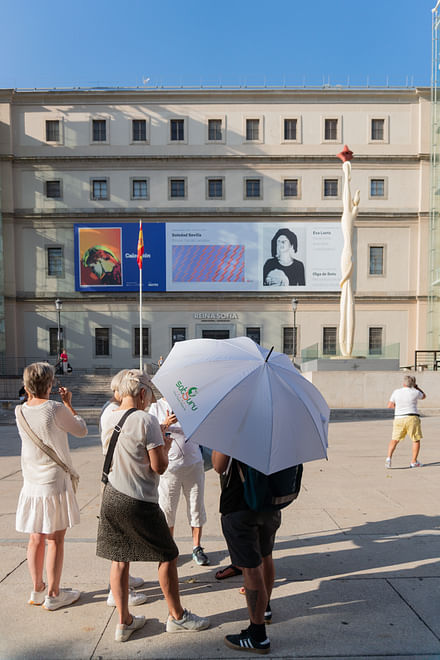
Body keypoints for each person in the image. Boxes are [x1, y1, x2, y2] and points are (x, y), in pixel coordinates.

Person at [97, 370, 210, 642]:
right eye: (150, 394)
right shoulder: (146, 420)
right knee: (168, 555)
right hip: (139, 500)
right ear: (143, 393)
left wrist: (157, 437)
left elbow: (126, 448)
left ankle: (124, 621)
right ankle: (177, 615)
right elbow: (158, 467)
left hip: (112, 495)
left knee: (120, 558)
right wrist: (166, 443)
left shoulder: (108, 417)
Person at [15, 362, 87, 611]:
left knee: (36, 537)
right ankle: (55, 594)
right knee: (55, 539)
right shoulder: (54, 409)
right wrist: (68, 403)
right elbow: (81, 430)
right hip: (54, 483)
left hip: (32, 482)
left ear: (26, 386)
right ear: (50, 384)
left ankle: (38, 589)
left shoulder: (19, 411)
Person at [212, 451, 280, 655]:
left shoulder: (235, 423)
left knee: (250, 568)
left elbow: (218, 466)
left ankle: (257, 635)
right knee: (266, 555)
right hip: (270, 503)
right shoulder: (277, 421)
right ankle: (265, 607)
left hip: (240, 505)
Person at [99, 369, 146, 608]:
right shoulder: (137, 417)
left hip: (113, 484)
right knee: (121, 548)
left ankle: (122, 584)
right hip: (127, 487)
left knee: (121, 545)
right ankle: (117, 592)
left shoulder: (109, 413)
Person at [149, 397, 209, 566]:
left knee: (196, 506)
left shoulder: (191, 403)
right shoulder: (156, 407)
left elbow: (204, 429)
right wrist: (166, 423)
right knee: (167, 508)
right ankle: (169, 548)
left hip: (194, 464)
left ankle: (197, 547)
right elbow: (150, 435)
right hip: (170, 467)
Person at [386, 375, 426, 469]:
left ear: (403, 383)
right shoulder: (415, 392)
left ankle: (388, 458)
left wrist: (400, 407)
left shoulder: (396, 392)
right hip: (412, 417)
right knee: (415, 440)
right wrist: (417, 387)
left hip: (399, 418)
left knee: (395, 439)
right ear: (413, 384)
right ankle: (413, 461)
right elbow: (424, 396)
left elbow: (390, 405)